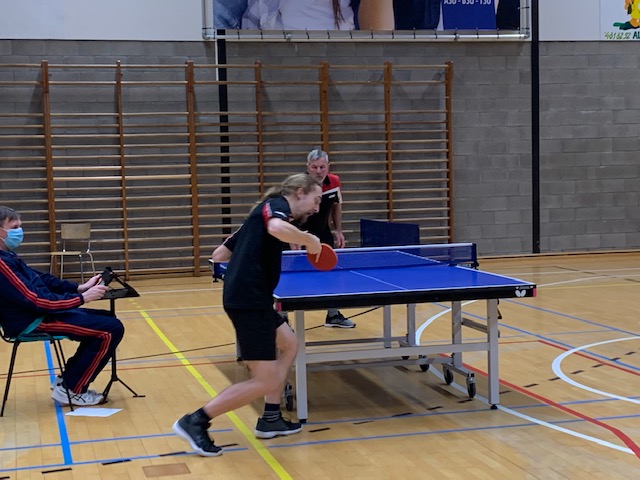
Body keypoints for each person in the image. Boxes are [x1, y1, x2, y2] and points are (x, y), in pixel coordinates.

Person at [173, 173, 322, 457]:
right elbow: (277, 228)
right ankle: (196, 421)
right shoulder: (276, 208)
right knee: (265, 379)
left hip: (254, 299)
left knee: (289, 344)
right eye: (315, 200)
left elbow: (219, 254)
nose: (317, 208)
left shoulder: (259, 216)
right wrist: (309, 240)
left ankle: (271, 418)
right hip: (249, 301)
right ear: (300, 192)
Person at [0, 206, 125, 407]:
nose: (20, 231)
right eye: (14, 227)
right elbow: (36, 300)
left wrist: (78, 288)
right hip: (31, 321)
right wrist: (82, 298)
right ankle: (73, 390)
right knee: (110, 330)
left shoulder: (8, 256)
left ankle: (68, 380)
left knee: (107, 319)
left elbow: (41, 279)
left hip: (38, 314)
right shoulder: (2, 264)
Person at [301, 148, 355, 328]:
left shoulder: (334, 182)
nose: (318, 171)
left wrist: (338, 230)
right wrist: (293, 237)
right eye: (314, 167)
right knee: (290, 275)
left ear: (328, 166)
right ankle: (282, 317)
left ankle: (333, 315)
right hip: (299, 234)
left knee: (331, 272)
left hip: (323, 233)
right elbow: (290, 213)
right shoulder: (299, 185)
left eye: (322, 167)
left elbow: (336, 206)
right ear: (308, 167)